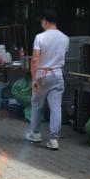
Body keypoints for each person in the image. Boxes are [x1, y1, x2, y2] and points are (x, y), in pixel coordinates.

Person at [25, 8, 69, 150]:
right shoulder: (65, 38)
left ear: (45, 20)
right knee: (56, 108)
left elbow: (35, 59)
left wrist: (33, 79)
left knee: (37, 105)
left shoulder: (40, 37)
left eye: (41, 21)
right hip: (58, 75)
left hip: (42, 75)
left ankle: (35, 133)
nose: (41, 24)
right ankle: (54, 139)